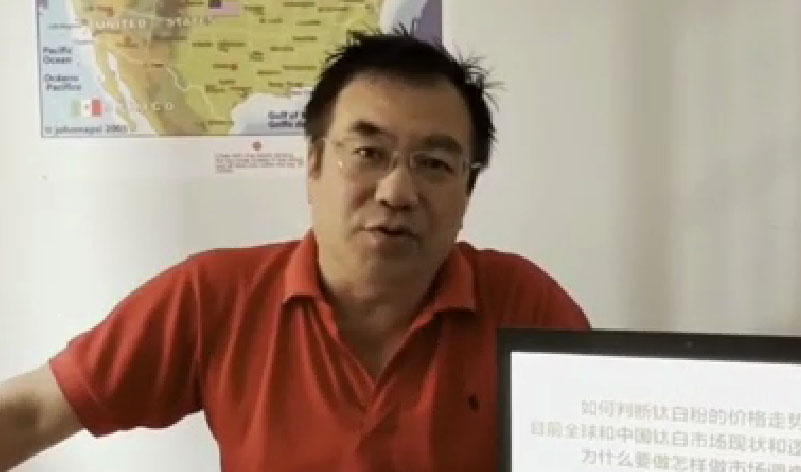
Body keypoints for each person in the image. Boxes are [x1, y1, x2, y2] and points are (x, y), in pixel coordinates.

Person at [0, 31, 589, 471]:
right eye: (368, 153)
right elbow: (31, 410)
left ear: (468, 191)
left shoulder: (523, 304)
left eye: (434, 163)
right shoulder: (214, 296)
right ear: (312, 164)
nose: (397, 191)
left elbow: (603, 446)